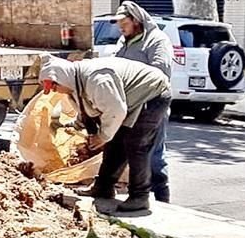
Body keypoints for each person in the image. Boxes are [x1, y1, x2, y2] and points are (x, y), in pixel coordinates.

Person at [39, 55, 171, 212]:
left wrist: (102, 136)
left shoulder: (98, 80)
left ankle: (140, 196)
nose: (55, 91)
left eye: (54, 87)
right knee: (115, 143)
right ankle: (103, 187)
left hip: (152, 93)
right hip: (128, 100)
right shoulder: (74, 84)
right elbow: (87, 111)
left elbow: (115, 110)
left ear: (61, 79)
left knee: (136, 145)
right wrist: (74, 126)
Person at [112, 1, 172, 202]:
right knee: (125, 149)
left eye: (124, 23)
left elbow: (160, 75)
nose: (121, 28)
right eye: (119, 24)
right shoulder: (123, 42)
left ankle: (163, 198)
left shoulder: (156, 41)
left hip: (151, 105)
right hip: (129, 106)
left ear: (136, 20)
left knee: (154, 154)